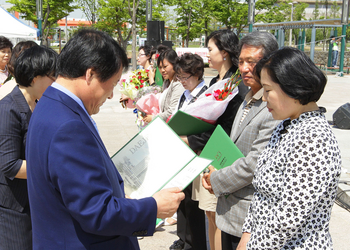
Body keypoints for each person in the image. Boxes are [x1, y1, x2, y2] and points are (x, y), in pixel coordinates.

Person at [25, 29, 184, 250]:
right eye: (112, 83)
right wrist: (153, 207)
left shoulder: (50, 103)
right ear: (90, 74)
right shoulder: (68, 126)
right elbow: (96, 212)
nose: (111, 95)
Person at [238, 47, 342, 249]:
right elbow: (261, 193)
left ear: (292, 87)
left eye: (268, 90)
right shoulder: (286, 125)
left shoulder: (314, 139)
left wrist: (252, 247)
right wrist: (247, 235)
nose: (265, 99)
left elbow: (288, 218)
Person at [202, 31, 280, 250]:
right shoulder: (248, 97)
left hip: (249, 218)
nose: (245, 68)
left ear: (270, 63)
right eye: (242, 61)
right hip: (229, 210)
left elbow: (254, 165)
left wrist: (216, 179)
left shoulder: (273, 107)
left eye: (252, 62)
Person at [172, 29, 248, 250]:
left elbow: (229, 124)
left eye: (210, 49)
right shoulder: (217, 81)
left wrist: (192, 139)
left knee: (219, 218)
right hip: (206, 155)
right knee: (210, 215)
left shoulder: (236, 83)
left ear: (224, 52)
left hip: (221, 156)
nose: (207, 54)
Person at [0, 45, 57, 250]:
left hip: (33, 201)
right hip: (14, 209)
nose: (55, 82)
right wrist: (53, 169)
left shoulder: (37, 102)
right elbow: (10, 165)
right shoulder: (8, 109)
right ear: (34, 78)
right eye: (52, 76)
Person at [169, 53, 208, 250]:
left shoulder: (207, 96)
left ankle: (194, 244)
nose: (182, 82)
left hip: (197, 153)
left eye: (186, 77)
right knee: (182, 199)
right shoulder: (185, 95)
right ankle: (183, 240)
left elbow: (209, 131)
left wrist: (188, 140)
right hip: (181, 153)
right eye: (179, 77)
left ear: (198, 74)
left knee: (194, 204)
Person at [143, 49, 184, 123]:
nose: (162, 70)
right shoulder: (166, 82)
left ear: (174, 64)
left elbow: (172, 111)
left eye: (165, 66)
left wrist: (153, 118)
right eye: (160, 67)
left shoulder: (178, 84)